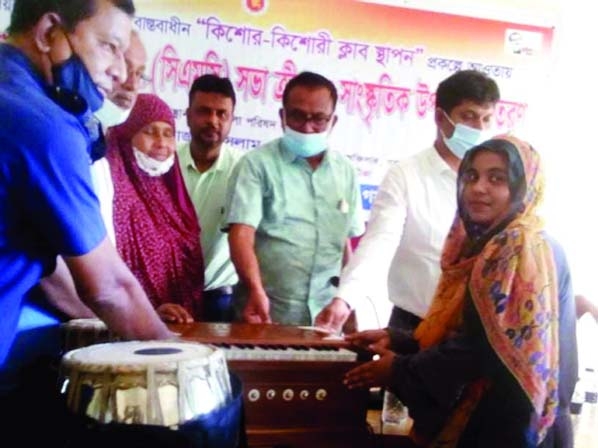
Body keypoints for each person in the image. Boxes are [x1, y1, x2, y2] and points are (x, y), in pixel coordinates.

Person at [0, 0, 172, 444]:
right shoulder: (42, 125)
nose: (117, 71)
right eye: (109, 47)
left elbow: (40, 247)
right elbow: (109, 286)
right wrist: (180, 359)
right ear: (47, 33)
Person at [344, 136, 577, 447]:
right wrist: (401, 340)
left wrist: (398, 370)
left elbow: (479, 352)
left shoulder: (516, 246)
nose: (478, 187)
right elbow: (481, 332)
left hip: (505, 428)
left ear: (524, 187)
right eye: (471, 176)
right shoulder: (508, 241)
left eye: (497, 178)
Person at [316, 70, 500, 333]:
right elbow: (379, 243)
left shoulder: (496, 185)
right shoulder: (406, 176)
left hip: (472, 336)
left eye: (487, 119)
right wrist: (344, 300)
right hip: (413, 327)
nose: (479, 128)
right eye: (468, 117)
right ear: (440, 117)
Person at [225, 71, 365, 325]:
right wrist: (255, 289)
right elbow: (241, 234)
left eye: (319, 119)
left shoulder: (345, 171)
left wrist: (348, 300)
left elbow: (344, 243)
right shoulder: (256, 165)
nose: (307, 127)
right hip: (265, 314)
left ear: (333, 121)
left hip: (326, 320)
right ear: (282, 116)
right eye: (297, 116)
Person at [107, 93, 205, 324]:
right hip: (130, 325)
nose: (161, 142)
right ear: (127, 135)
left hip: (181, 324)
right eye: (149, 131)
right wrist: (149, 310)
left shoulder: (171, 194)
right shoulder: (114, 194)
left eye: (168, 133)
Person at [178, 74, 242, 322]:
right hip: (166, 298)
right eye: (204, 111)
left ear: (231, 120)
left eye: (221, 114)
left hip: (222, 300)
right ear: (188, 115)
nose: (212, 121)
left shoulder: (244, 170)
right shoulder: (165, 163)